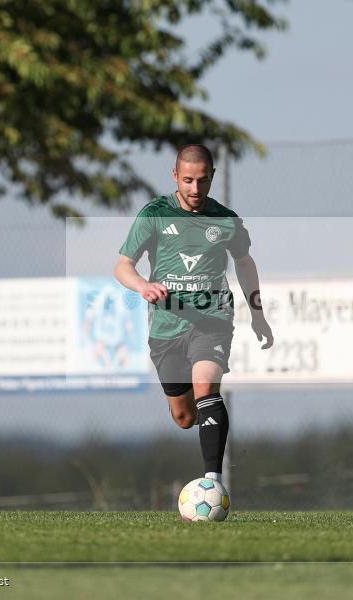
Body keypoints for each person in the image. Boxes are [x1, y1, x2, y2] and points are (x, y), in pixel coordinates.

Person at [114, 144, 273, 483]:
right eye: (188, 180)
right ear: (175, 176)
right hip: (166, 326)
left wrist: (257, 312)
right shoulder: (155, 214)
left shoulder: (226, 221)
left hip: (212, 319)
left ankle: (212, 483)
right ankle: (210, 421)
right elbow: (123, 266)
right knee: (185, 417)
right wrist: (143, 286)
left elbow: (245, 263)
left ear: (212, 177)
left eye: (202, 180)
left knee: (205, 386)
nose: (195, 188)